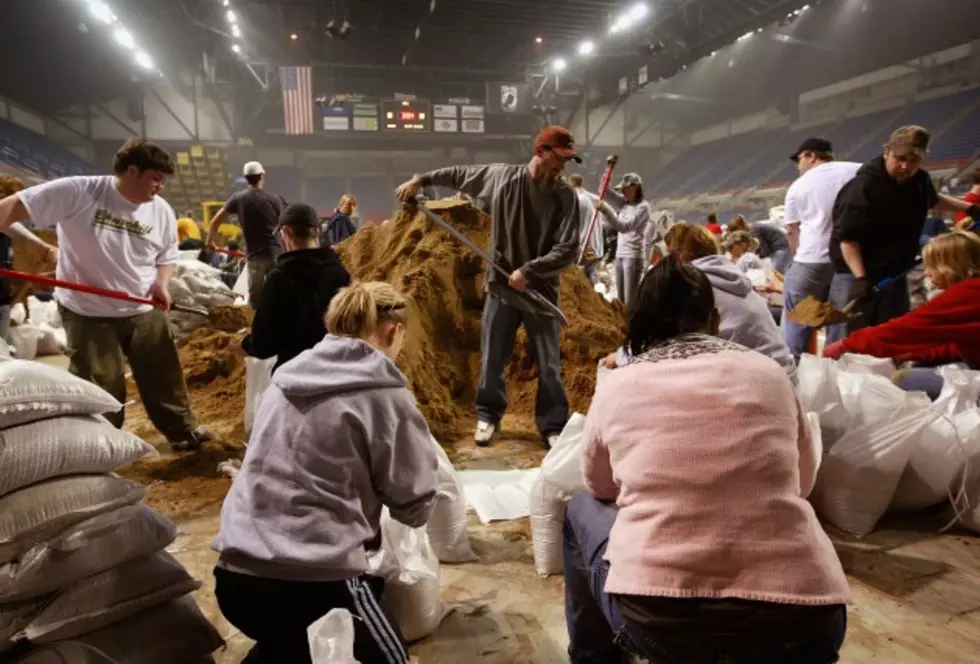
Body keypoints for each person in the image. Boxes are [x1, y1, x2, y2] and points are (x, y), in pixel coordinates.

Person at [565, 257, 849, 664]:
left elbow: (599, 486)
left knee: (580, 508)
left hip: (662, 622)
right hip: (804, 625)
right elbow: (801, 484)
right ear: (714, 319)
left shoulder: (618, 383)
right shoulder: (770, 375)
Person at [213, 281, 436, 664]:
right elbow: (414, 505)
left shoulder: (284, 379)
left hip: (235, 582)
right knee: (391, 658)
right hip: (312, 582)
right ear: (395, 331)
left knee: (287, 644)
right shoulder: (387, 396)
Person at [0, 139, 208, 451]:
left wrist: (161, 284)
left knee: (163, 373)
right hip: (88, 312)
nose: (160, 187)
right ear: (132, 171)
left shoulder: (161, 211)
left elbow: (167, 257)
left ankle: (182, 432)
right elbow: (9, 208)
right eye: (155, 178)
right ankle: (101, 446)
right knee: (101, 384)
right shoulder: (79, 192)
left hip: (142, 307)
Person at [395, 125, 581, 448]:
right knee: (493, 356)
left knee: (549, 363)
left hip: (541, 293)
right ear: (540, 152)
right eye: (559, 159)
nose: (562, 168)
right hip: (501, 288)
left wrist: (530, 270)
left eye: (567, 161)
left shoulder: (566, 197)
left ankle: (552, 424)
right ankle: (488, 415)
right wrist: (421, 181)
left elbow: (568, 249)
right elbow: (460, 174)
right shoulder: (501, 179)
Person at [827, 126, 980, 344]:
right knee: (848, 337)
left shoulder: (919, 180)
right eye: (900, 158)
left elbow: (934, 199)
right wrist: (861, 279)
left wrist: (969, 208)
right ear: (886, 152)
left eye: (913, 160)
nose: (905, 166)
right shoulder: (863, 188)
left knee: (891, 334)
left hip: (895, 273)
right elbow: (848, 240)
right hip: (857, 274)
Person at [604, 223, 796, 384]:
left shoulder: (691, 285)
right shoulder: (731, 276)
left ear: (678, 256)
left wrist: (622, 356)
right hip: (784, 378)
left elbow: (659, 340)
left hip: (756, 385)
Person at [824, 230, 980, 400]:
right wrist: (911, 354)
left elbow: (905, 329)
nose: (927, 273)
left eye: (932, 266)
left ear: (951, 266)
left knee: (903, 379)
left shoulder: (967, 294)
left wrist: (847, 344)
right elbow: (955, 344)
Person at [241, 202, 351, 374]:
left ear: (287, 233)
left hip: (295, 377)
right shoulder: (341, 273)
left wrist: (244, 344)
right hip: (337, 372)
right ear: (316, 231)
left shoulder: (280, 278)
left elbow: (264, 346)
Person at [780, 138, 862, 361]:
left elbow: (791, 230)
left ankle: (794, 369)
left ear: (811, 156)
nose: (798, 166)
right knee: (841, 319)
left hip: (812, 259)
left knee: (797, 319)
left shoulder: (799, 185)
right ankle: (834, 370)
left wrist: (796, 257)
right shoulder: (859, 170)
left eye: (799, 160)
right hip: (851, 260)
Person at [205, 161, 286, 309]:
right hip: (275, 253)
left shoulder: (238, 198)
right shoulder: (275, 199)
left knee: (255, 298)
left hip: (254, 256)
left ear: (246, 178)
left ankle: (256, 327)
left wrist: (210, 241)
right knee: (278, 294)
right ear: (261, 176)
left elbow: (215, 221)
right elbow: (285, 228)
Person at [604, 173, 653, 307]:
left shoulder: (643, 207)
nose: (623, 192)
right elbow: (606, 193)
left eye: (626, 189)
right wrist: (606, 175)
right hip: (620, 255)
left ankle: (630, 326)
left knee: (629, 302)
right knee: (620, 301)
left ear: (635, 188)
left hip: (633, 257)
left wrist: (606, 211)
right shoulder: (624, 203)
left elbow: (625, 227)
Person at [567, 173, 617, 284]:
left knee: (580, 278)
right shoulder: (595, 198)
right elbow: (613, 217)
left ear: (570, 185)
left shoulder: (576, 200)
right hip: (595, 248)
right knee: (589, 275)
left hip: (582, 248)